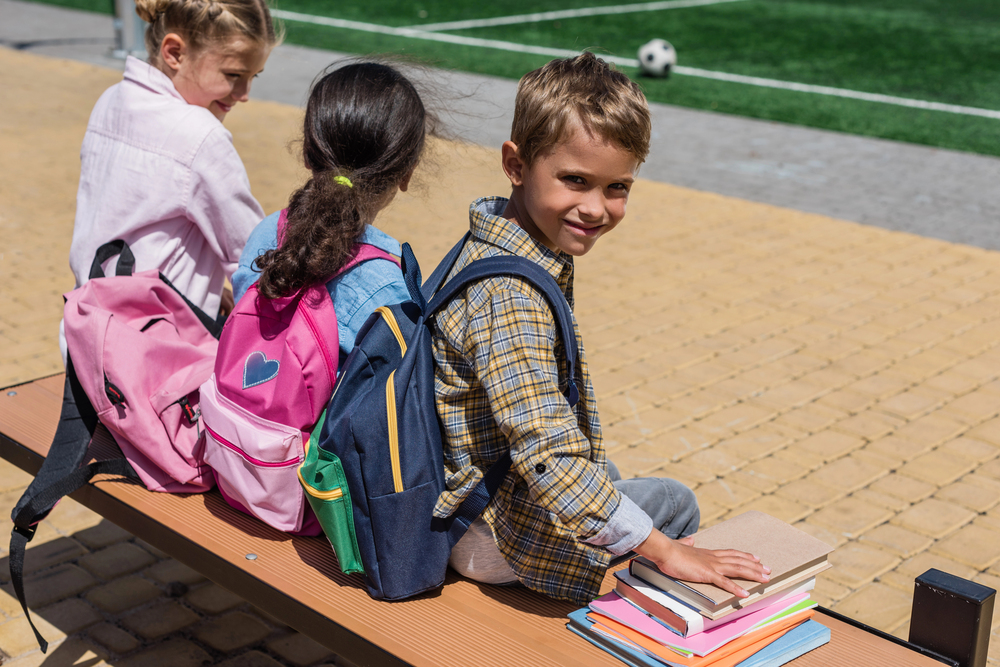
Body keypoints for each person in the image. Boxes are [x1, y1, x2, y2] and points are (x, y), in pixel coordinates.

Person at [431, 53, 771, 604]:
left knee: (605, 467)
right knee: (673, 501)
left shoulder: (494, 241)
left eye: (617, 188)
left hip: (470, 491)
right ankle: (654, 622)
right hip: (491, 539)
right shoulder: (512, 297)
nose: (595, 208)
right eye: (576, 180)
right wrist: (666, 549)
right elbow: (548, 457)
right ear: (516, 164)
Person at [67, 0, 278, 345]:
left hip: (88, 336)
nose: (244, 95)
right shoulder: (200, 135)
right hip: (159, 361)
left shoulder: (110, 100)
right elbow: (254, 256)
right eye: (233, 75)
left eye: (253, 77)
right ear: (175, 52)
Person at [231, 61, 426, 371]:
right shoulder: (385, 286)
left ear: (308, 152)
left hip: (231, 414)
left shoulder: (268, 231)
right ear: (407, 173)